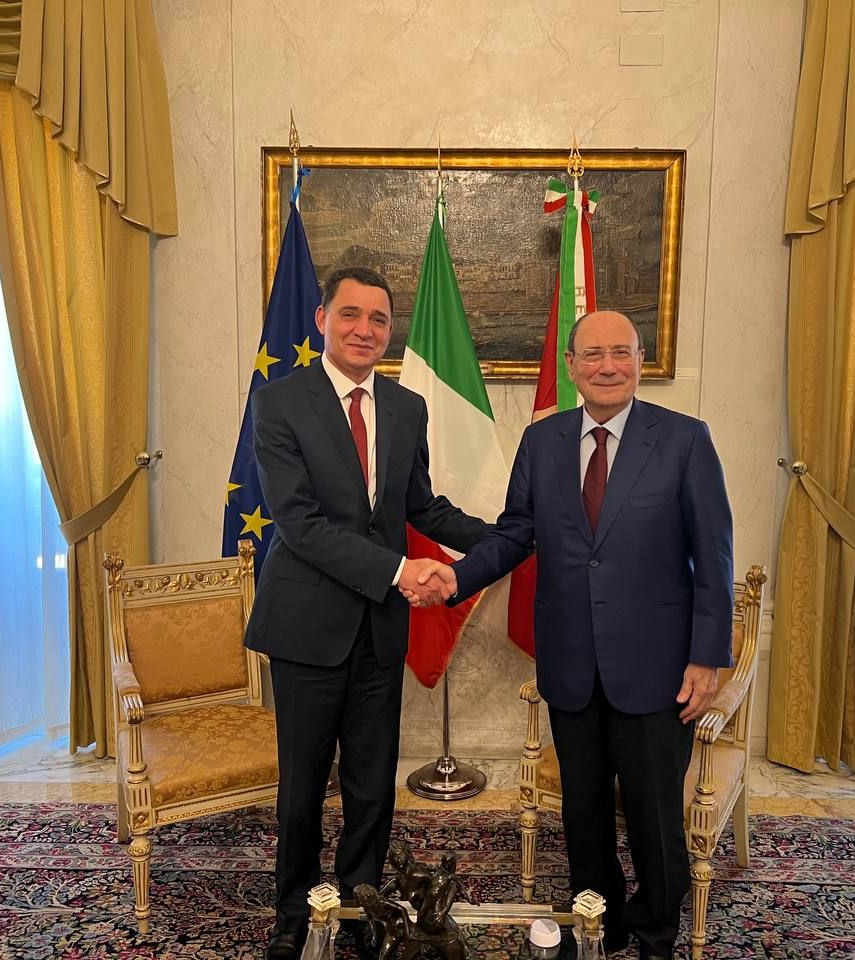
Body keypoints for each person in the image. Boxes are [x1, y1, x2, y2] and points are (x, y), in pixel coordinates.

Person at [413, 311, 734, 960]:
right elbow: (514, 535)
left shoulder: (684, 440)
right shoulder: (543, 441)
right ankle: (599, 927)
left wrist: (707, 657)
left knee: (653, 817)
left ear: (639, 361)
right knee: (582, 814)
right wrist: (455, 577)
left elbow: (714, 555)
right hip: (570, 664)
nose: (607, 366)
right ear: (570, 364)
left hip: (655, 668)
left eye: (621, 353)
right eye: (592, 354)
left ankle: (655, 933)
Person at [244, 266, 489, 960]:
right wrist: (399, 571)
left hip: (379, 629)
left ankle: (361, 904)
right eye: (350, 314)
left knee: (372, 784)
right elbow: (300, 524)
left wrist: (507, 539)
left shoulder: (407, 407)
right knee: (302, 787)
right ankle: (295, 912)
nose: (365, 329)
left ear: (390, 331)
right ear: (322, 320)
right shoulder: (279, 402)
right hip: (306, 628)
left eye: (378, 319)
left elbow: (421, 507)